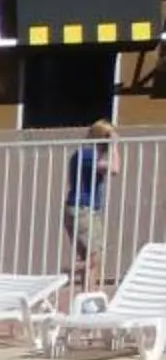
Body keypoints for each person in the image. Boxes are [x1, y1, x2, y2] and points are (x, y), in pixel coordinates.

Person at [65, 119, 116, 286]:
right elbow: (115, 169)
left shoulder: (83, 154)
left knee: (90, 259)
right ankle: (69, 270)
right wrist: (115, 145)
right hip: (83, 210)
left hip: (81, 209)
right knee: (93, 259)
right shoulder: (88, 154)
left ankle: (88, 297)